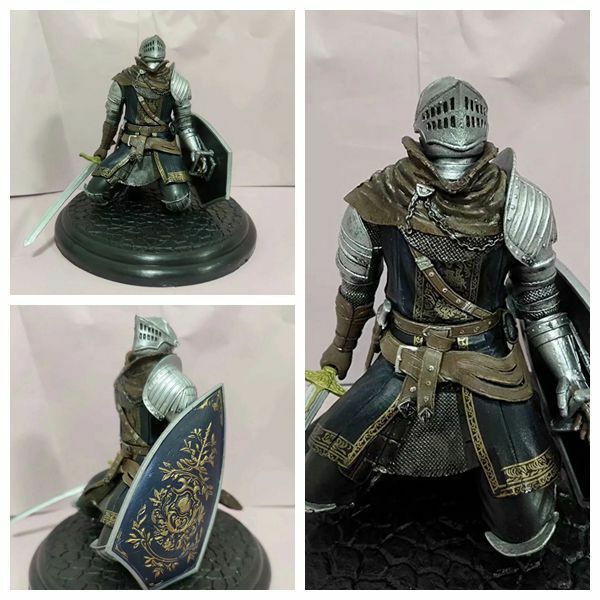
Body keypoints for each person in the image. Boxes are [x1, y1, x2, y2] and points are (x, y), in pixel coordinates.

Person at [305, 77, 589, 556]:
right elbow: (355, 290)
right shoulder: (379, 198)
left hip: (490, 368)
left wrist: (569, 376)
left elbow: (541, 304)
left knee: (523, 525)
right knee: (316, 482)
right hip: (401, 362)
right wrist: (340, 350)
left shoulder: (519, 203)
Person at [84, 35, 212, 211]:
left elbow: (185, 125)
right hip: (130, 146)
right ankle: (124, 187)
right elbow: (112, 119)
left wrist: (196, 150)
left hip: (163, 146)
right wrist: (103, 147)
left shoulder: (177, 83)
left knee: (178, 203)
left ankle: (157, 184)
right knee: (94, 193)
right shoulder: (124, 80)